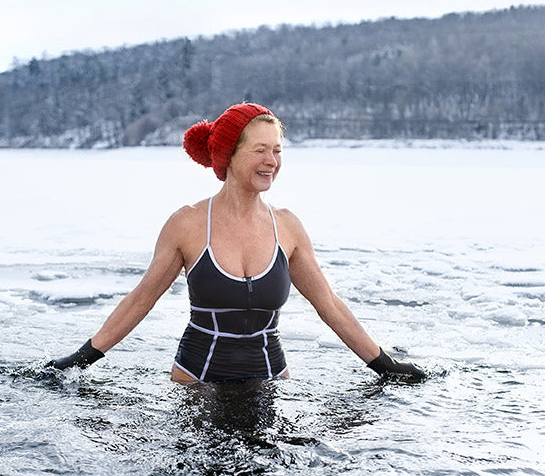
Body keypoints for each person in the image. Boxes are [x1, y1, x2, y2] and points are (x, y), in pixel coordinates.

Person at [47, 102, 425, 382]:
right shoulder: (188, 224)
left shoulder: (288, 227)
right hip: (197, 383)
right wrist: (80, 359)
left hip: (271, 382)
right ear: (230, 155)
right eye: (260, 150)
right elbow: (142, 298)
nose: (271, 160)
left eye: (277, 150)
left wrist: (384, 365)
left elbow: (329, 304)